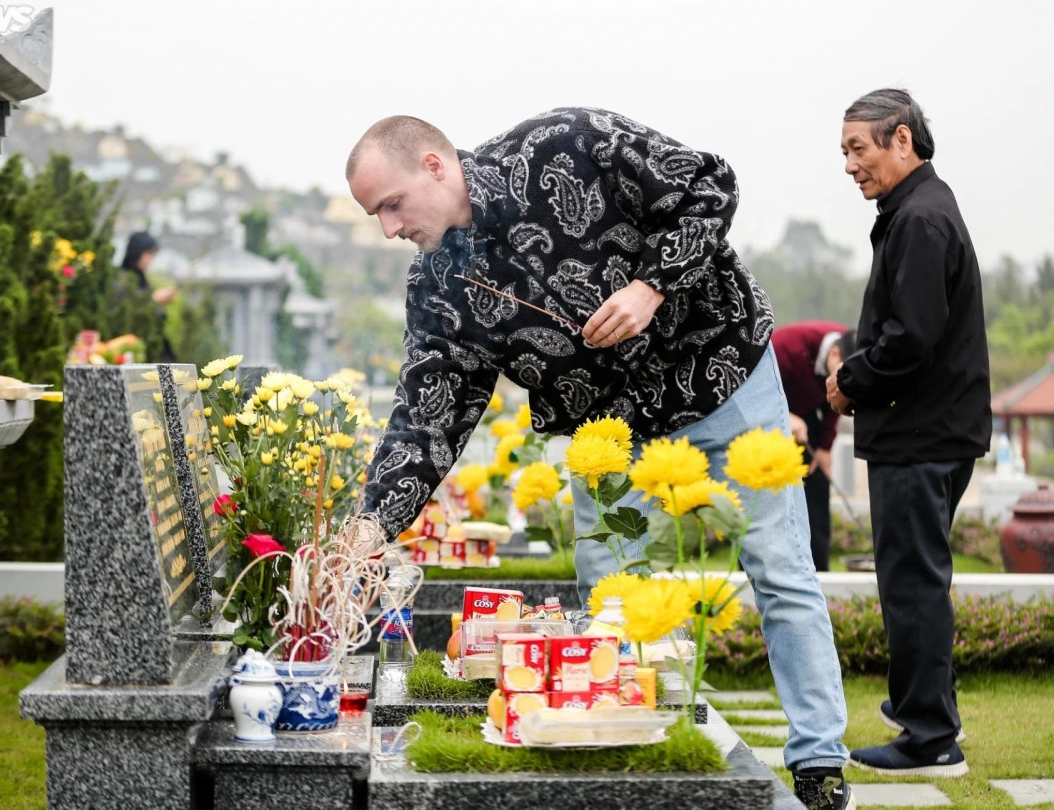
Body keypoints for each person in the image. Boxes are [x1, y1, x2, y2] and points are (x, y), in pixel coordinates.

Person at [346, 108, 853, 809]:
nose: (389, 228)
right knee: (610, 590)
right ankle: (625, 751)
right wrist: (370, 526)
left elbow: (708, 186)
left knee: (778, 564)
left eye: (392, 204)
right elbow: (428, 415)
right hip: (608, 426)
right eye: (377, 214)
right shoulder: (436, 287)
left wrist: (652, 285)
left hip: (721, 374)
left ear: (434, 166)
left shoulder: (564, 143)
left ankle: (820, 764)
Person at [828, 89, 990, 778]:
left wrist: (850, 380)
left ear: (902, 140)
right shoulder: (916, 210)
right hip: (930, 431)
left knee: (913, 583)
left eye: (857, 149)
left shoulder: (920, 218)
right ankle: (927, 714)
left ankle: (930, 740)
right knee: (917, 578)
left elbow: (911, 338)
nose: (849, 165)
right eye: (843, 153)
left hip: (921, 435)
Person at [771, 321, 856, 571]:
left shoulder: (850, 349)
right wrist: (783, 416)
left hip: (807, 419)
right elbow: (754, 387)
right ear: (834, 354)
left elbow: (837, 400)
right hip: (768, 415)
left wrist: (825, 448)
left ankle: (820, 572)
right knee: (768, 497)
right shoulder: (787, 347)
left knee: (817, 489)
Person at [119, 231, 177, 362]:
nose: (151, 259)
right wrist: (153, 299)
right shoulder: (124, 280)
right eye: (149, 253)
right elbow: (128, 309)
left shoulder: (142, 280)